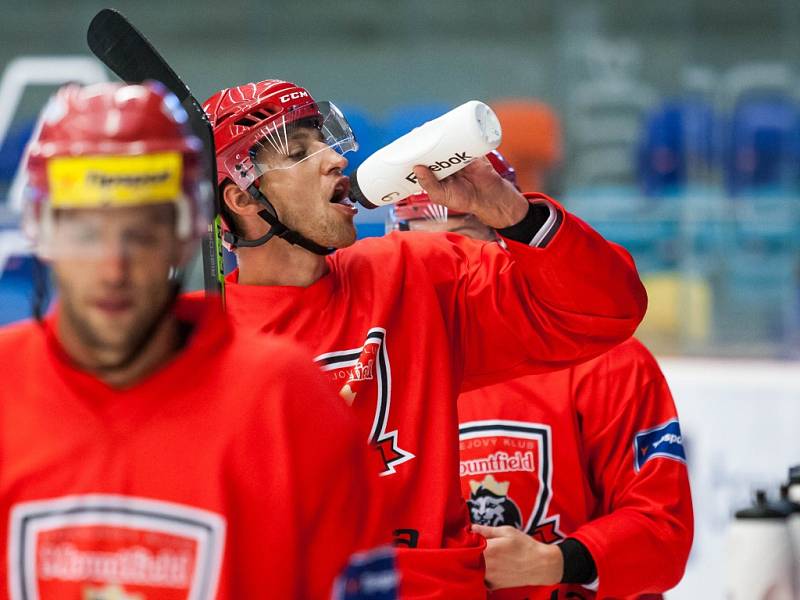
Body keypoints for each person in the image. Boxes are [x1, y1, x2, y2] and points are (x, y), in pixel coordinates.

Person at [203, 79, 649, 598]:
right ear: (241, 197)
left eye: (324, 143)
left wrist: (508, 211)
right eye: (300, 154)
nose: (334, 161)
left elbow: (606, 311)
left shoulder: (414, 273)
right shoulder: (203, 342)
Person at [0, 81, 375, 600]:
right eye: (85, 232)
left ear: (187, 229)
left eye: (143, 232)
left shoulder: (289, 404)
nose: (113, 268)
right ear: (40, 231)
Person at [389, 152, 693, 599]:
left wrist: (555, 562)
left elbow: (662, 531)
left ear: (503, 247)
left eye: (462, 251)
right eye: (426, 259)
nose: (446, 279)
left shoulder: (608, 361)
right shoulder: (380, 373)